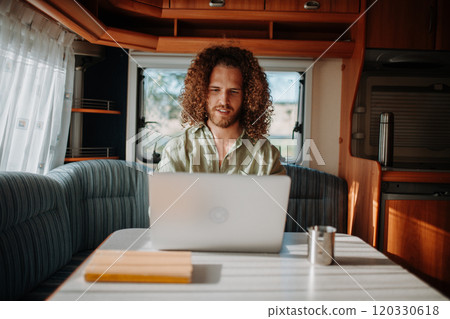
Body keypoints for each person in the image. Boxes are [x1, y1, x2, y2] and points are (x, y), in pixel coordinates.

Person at [157, 45, 286, 175]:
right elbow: (164, 195)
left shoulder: (267, 155)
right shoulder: (178, 149)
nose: (224, 101)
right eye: (215, 90)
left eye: (234, 91)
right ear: (201, 93)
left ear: (247, 97)